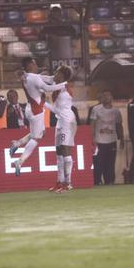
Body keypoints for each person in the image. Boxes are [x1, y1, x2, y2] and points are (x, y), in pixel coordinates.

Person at [9, 57, 68, 176]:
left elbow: (48, 79)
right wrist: (64, 84)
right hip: (36, 110)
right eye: (35, 63)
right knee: (37, 138)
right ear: (30, 65)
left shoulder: (26, 76)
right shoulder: (33, 78)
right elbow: (47, 88)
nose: (37, 66)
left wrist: (56, 78)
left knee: (40, 132)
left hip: (30, 108)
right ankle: (19, 161)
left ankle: (17, 143)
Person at [44, 65, 76, 193]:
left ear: (63, 76)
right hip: (60, 121)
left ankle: (68, 183)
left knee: (65, 151)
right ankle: (59, 181)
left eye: (57, 73)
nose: (55, 75)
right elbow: (47, 79)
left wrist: (43, 103)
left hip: (67, 121)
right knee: (58, 153)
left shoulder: (64, 92)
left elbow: (57, 110)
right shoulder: (58, 86)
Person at [91, 90, 124, 185]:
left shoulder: (116, 111)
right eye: (104, 95)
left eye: (108, 95)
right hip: (99, 141)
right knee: (98, 163)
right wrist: (92, 138)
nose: (106, 97)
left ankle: (110, 181)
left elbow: (119, 126)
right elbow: (92, 124)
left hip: (112, 141)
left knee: (110, 164)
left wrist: (121, 139)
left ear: (112, 98)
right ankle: (97, 181)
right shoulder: (96, 109)